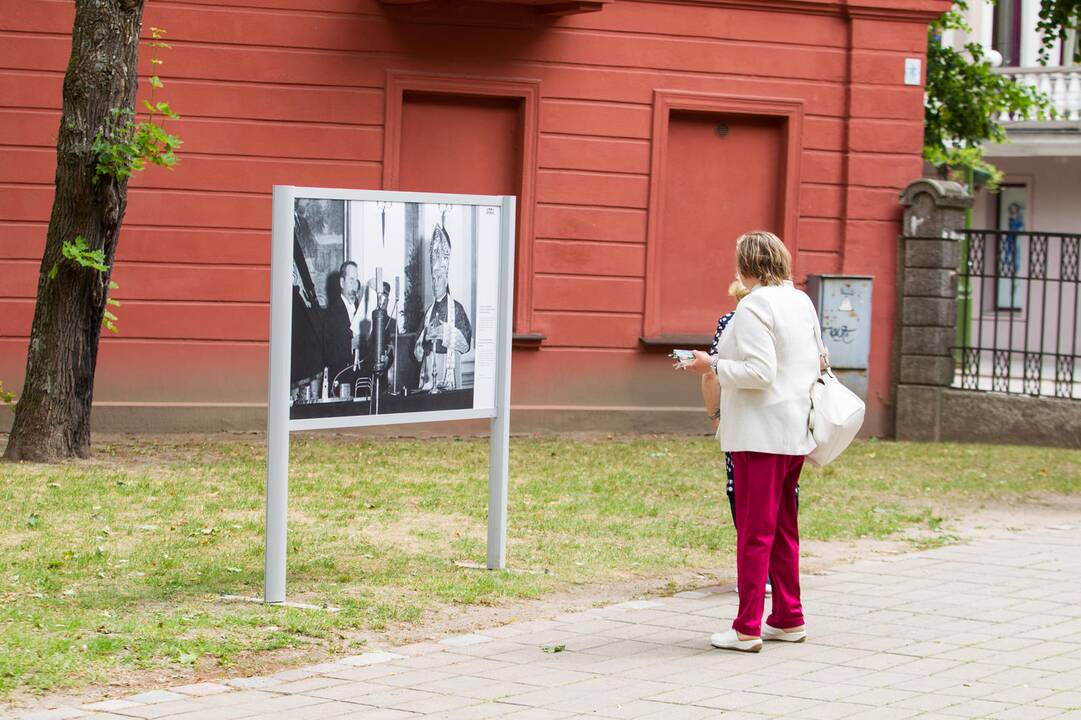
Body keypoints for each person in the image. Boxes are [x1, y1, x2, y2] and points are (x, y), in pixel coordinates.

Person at [685, 230, 823, 653]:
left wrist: (713, 365)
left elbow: (760, 373)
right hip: (795, 429)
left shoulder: (754, 306)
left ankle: (746, 627)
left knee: (754, 530)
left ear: (747, 265)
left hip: (759, 433)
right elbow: (818, 358)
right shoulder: (800, 301)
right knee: (783, 528)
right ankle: (788, 616)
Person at [414, 224, 472, 392]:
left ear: (446, 280)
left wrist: (444, 331)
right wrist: (424, 339)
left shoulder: (457, 309)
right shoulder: (428, 312)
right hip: (428, 371)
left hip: (449, 370)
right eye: (433, 278)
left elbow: (466, 342)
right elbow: (417, 349)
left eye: (439, 278)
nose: (435, 282)